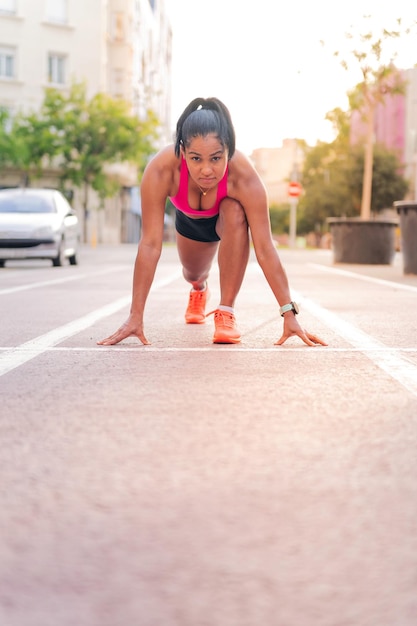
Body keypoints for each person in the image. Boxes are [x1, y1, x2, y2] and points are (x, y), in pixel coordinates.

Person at [98, 97, 327, 347]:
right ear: (182, 151)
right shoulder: (161, 170)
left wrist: (288, 313)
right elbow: (150, 244)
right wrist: (135, 316)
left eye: (216, 159)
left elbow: (265, 247)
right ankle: (199, 290)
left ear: (228, 150)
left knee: (235, 210)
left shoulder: (244, 177)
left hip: (227, 222)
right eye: (196, 159)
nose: (206, 170)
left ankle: (226, 311)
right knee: (193, 274)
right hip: (189, 223)